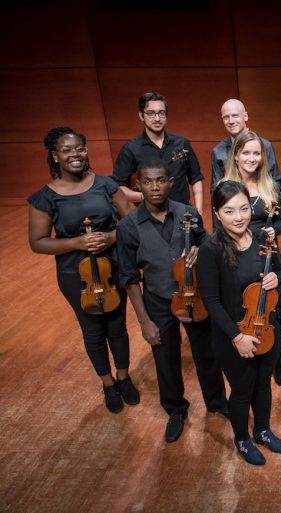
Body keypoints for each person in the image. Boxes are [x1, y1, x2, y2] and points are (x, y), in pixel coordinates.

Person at [28, 126, 138, 413]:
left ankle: (124, 378)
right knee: (92, 330)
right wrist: (77, 242)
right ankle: (108, 384)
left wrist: (111, 237)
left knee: (117, 326)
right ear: (54, 156)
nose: (75, 154)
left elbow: (130, 222)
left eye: (79, 148)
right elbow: (38, 243)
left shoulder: (105, 184)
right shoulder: (45, 197)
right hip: (75, 275)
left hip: (112, 265)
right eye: (66, 150)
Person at [117, 159, 228, 443]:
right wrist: (144, 321)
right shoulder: (129, 226)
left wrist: (200, 253)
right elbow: (130, 278)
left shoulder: (188, 213)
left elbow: (207, 245)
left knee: (207, 353)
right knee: (165, 359)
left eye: (161, 180)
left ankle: (216, 402)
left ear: (171, 182)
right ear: (138, 186)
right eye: (148, 182)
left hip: (195, 295)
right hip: (156, 299)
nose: (155, 187)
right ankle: (176, 408)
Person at [197, 180, 281, 465]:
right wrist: (238, 337)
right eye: (229, 211)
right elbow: (211, 302)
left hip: (266, 327)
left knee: (263, 385)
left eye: (244, 208)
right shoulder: (210, 250)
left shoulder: (263, 237)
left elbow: (277, 273)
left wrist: (275, 279)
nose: (239, 217)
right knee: (242, 389)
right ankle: (242, 439)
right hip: (233, 336)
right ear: (217, 213)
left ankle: (262, 430)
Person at [224, 131, 281, 386]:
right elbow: (221, 228)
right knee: (247, 309)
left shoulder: (270, 185)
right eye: (246, 153)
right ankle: (250, 358)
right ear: (236, 155)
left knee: (274, 311)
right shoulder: (225, 187)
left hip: (267, 255)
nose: (252, 158)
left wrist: (276, 230)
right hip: (238, 256)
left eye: (256, 153)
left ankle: (278, 360)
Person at [111, 92, 205, 212]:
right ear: (141, 115)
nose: (157, 118)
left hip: (182, 212)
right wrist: (143, 196)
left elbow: (196, 179)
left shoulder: (182, 143)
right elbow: (118, 187)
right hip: (148, 216)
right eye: (151, 113)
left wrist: (199, 211)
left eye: (161, 113)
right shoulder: (130, 149)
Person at [211, 99, 281, 193]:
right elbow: (215, 189)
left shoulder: (265, 146)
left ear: (245, 116)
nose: (231, 121)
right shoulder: (218, 151)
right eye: (226, 117)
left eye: (235, 116)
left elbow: (276, 182)